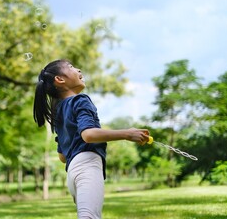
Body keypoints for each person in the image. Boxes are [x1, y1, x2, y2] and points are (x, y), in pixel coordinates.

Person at [33, 59, 150, 219]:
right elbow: (88, 135)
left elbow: (62, 156)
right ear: (60, 80)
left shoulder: (59, 111)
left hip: (72, 173)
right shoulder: (80, 100)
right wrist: (127, 134)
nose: (78, 69)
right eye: (71, 67)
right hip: (88, 166)